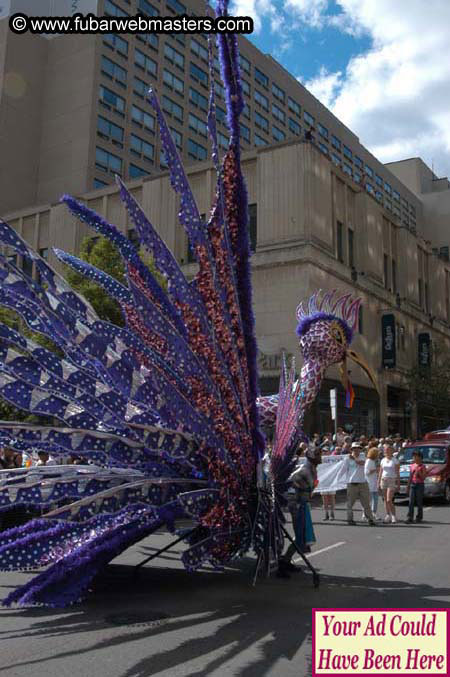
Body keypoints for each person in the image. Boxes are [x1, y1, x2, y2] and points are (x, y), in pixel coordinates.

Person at [278, 445, 322, 577]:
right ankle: (283, 565)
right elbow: (291, 483)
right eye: (318, 455)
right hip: (296, 504)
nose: (321, 457)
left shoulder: (311, 468)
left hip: (301, 503)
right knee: (300, 534)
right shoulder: (305, 470)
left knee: (301, 535)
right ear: (313, 457)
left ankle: (286, 560)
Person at [344, 442, 376, 526]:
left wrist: (354, 459)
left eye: (358, 448)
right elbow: (344, 470)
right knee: (350, 503)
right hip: (352, 483)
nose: (356, 449)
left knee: (366, 503)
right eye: (355, 448)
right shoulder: (347, 459)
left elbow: (362, 463)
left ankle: (370, 519)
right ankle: (350, 519)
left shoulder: (363, 456)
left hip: (362, 483)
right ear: (352, 449)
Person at [378, 444, 400, 523]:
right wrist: (378, 482)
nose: (386, 451)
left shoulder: (395, 460)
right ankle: (388, 515)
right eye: (385, 450)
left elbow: (397, 473)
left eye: (388, 450)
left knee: (389, 499)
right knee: (385, 500)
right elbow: (380, 472)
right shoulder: (383, 460)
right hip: (383, 480)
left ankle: (393, 515)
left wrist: (398, 483)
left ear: (391, 451)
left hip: (391, 480)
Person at [406, 450, 427, 523]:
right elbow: (410, 476)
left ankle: (419, 517)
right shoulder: (412, 465)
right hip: (413, 484)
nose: (414, 458)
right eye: (413, 456)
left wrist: (419, 472)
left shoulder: (423, 466)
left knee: (419, 502)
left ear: (419, 457)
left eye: (415, 456)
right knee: (411, 501)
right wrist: (408, 486)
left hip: (419, 485)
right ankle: (410, 517)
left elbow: (423, 477)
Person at [364, 447, 380, 520]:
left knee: (375, 499)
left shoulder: (374, 461)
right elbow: (366, 472)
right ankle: (365, 513)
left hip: (374, 482)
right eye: (377, 453)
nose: (378, 455)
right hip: (369, 483)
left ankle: (373, 513)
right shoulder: (369, 461)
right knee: (368, 500)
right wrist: (375, 470)